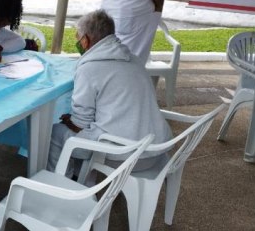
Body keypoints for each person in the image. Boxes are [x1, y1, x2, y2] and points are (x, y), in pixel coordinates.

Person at [47, 9, 171, 175]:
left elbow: (81, 123)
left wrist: (68, 121)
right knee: (85, 131)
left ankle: (61, 184)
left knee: (56, 132)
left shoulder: (90, 68)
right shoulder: (133, 59)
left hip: (125, 156)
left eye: (78, 37)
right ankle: (81, 177)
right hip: (156, 150)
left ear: (85, 40)